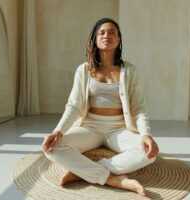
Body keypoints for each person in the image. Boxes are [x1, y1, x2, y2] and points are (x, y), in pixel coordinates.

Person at [42, 18, 159, 196]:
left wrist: (146, 134)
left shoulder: (130, 71)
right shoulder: (84, 70)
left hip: (119, 129)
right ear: (95, 40)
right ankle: (115, 179)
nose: (107, 35)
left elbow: (139, 107)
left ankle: (81, 173)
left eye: (112, 32)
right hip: (89, 127)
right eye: (101, 32)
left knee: (149, 154)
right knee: (52, 148)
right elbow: (73, 105)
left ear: (119, 40)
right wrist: (58, 131)